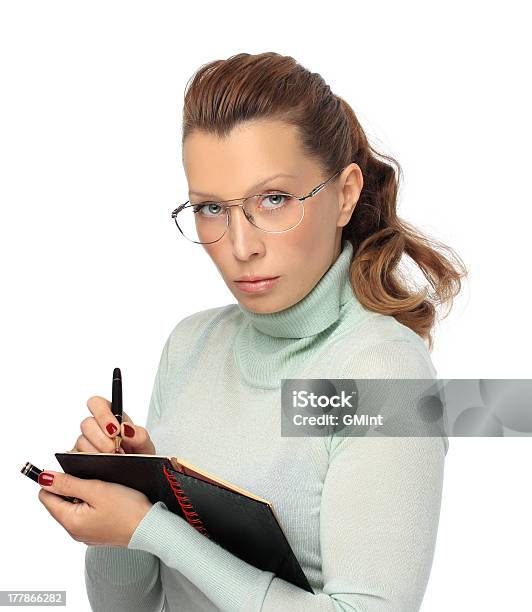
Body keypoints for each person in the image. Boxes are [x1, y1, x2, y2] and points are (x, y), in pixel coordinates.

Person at [37, 52, 467, 611]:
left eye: (273, 199)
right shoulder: (191, 346)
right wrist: (128, 489)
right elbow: (127, 608)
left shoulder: (383, 374)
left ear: (344, 194)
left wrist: (155, 528)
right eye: (212, 208)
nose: (241, 247)